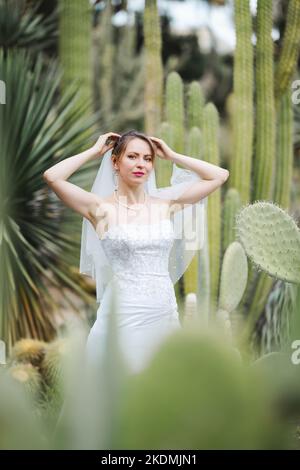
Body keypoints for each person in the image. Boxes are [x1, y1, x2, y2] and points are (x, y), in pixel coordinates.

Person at [43, 129, 229, 374]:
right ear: (115, 162)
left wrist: (172, 156)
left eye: (147, 158)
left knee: (160, 387)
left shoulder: (165, 205)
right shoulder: (99, 209)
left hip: (163, 313)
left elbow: (219, 176)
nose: (141, 163)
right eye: (132, 156)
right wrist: (94, 151)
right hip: (121, 316)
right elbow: (52, 177)